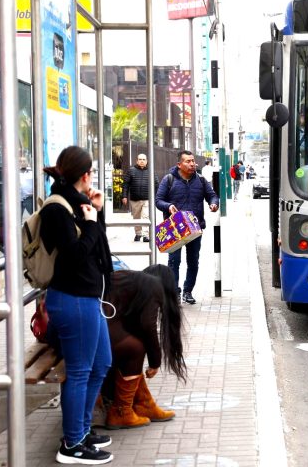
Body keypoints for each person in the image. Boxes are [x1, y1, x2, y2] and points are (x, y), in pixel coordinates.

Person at [40, 146, 115, 465]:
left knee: (101, 364)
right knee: (80, 372)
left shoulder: (80, 202)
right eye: (91, 174)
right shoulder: (56, 208)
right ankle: (72, 443)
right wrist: (92, 222)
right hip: (72, 299)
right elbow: (74, 256)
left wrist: (96, 214)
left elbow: (99, 247)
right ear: (85, 175)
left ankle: (81, 430)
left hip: (88, 299)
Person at [101, 265, 186, 429]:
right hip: (91, 325)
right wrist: (155, 361)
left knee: (129, 345)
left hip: (82, 321)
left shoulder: (133, 281)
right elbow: (148, 325)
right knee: (134, 348)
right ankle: (122, 412)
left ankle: (144, 403)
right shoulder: (153, 285)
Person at [155, 150, 219, 305]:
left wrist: (214, 203)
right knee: (174, 261)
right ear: (179, 164)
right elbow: (158, 200)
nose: (192, 164)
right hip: (175, 229)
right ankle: (174, 293)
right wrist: (169, 206)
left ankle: (188, 291)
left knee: (193, 261)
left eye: (193, 161)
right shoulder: (168, 179)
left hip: (195, 228)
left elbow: (212, 195)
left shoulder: (201, 180)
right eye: (188, 161)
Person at [121, 154, 159, 242]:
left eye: (144, 159)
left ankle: (146, 235)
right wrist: (124, 196)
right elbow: (125, 184)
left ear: (147, 161)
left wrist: (157, 197)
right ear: (137, 161)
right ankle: (138, 234)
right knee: (136, 217)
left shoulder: (151, 171)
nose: (142, 161)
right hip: (134, 199)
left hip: (147, 199)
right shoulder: (131, 171)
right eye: (140, 159)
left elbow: (156, 184)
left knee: (146, 217)